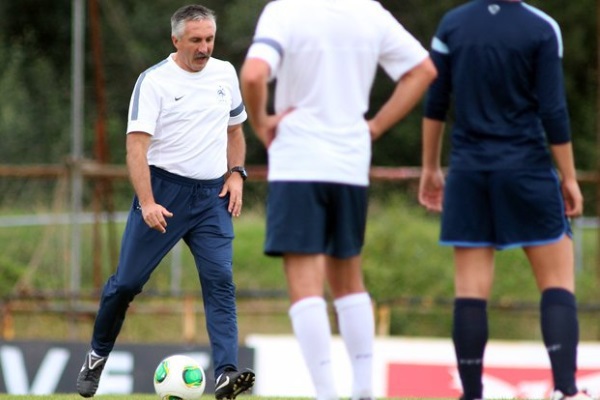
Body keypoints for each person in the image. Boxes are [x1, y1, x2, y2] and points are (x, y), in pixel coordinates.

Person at [240, 1, 437, 399]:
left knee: (305, 284)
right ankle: (363, 389)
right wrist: (376, 126)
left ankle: (326, 393)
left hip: (298, 162)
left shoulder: (286, 11)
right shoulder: (370, 13)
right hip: (350, 165)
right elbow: (424, 71)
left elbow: (254, 73)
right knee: (349, 281)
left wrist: (261, 125)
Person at [76, 5, 254, 399]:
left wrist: (236, 174)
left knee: (221, 282)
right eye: (196, 40)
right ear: (176, 40)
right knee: (126, 285)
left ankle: (226, 373)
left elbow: (235, 132)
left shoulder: (225, 73)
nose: (204, 47)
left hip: (211, 198)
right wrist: (148, 201)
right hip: (163, 195)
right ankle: (96, 355)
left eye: (209, 39)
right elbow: (135, 150)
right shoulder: (153, 81)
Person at [418, 1, 591, 400]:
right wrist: (568, 177)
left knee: (470, 291)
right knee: (557, 284)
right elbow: (553, 109)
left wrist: (430, 167)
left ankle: (473, 394)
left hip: (468, 172)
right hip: (527, 168)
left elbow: (436, 102)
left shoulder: (452, 24)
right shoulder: (541, 28)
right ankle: (566, 391)